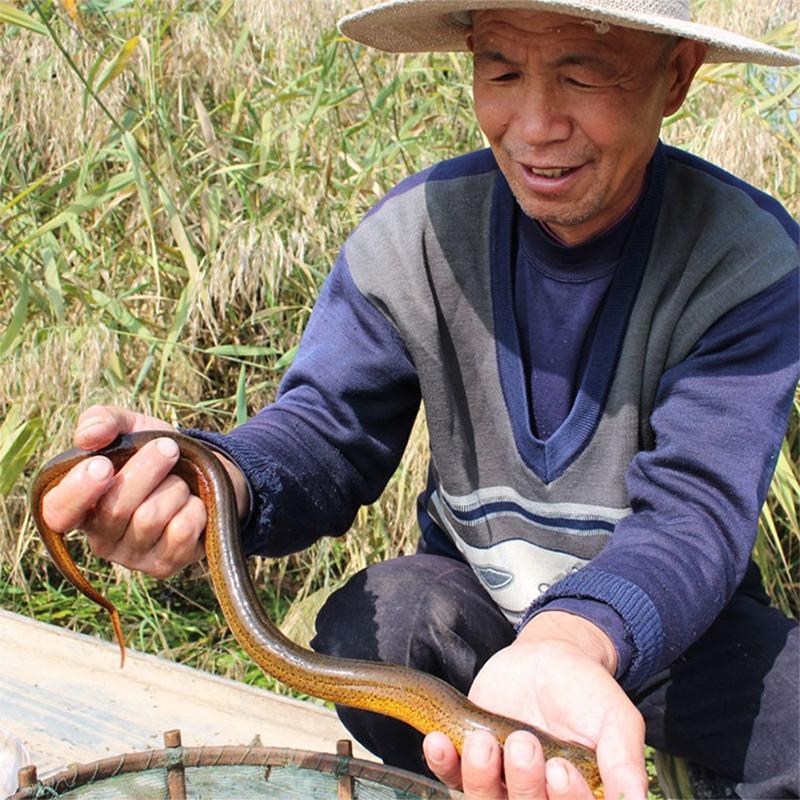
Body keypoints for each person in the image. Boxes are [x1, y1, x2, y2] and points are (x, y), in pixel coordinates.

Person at [40, 1, 799, 798]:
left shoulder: (746, 260)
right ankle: (464, 780)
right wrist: (210, 478)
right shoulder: (415, 235)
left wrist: (571, 642)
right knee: (386, 619)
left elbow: (694, 516)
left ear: (675, 76)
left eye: (585, 74)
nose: (536, 124)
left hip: (672, 625)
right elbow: (326, 435)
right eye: (501, 71)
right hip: (477, 615)